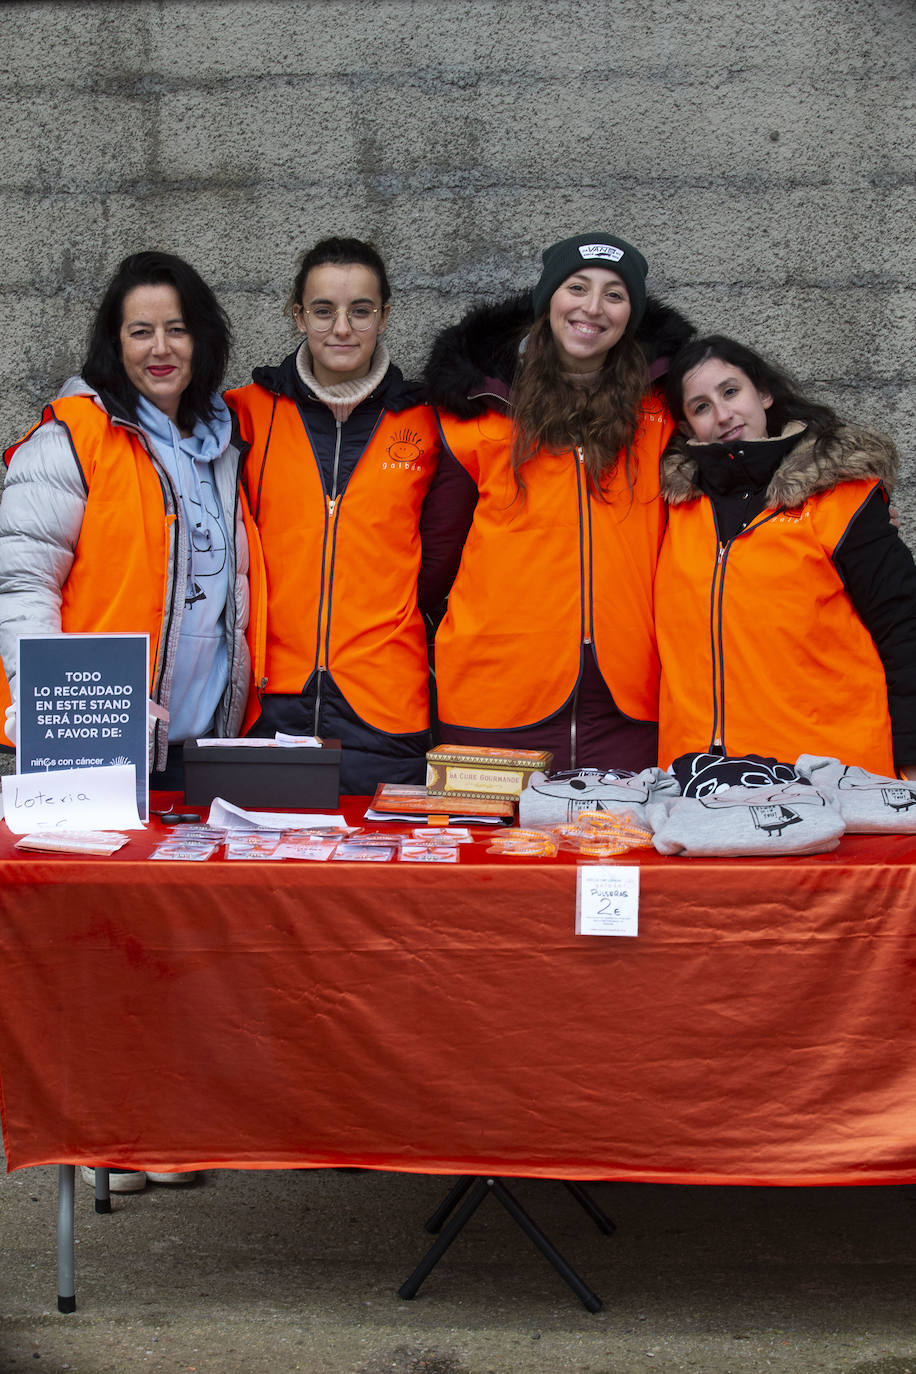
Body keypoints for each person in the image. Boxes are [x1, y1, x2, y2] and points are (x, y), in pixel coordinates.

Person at [0, 249, 263, 1191]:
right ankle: (106, 1139)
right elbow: (17, 580)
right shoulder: (72, 439)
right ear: (115, 343)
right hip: (95, 737)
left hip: (195, 738)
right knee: (97, 952)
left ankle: (156, 1123)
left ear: (204, 337)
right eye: (140, 329)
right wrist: (51, 707)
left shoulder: (219, 439)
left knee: (171, 947)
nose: (161, 347)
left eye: (178, 327)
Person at [420, 231, 694, 770]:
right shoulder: (478, 407)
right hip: (492, 695)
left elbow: (750, 445)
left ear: (631, 315)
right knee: (487, 852)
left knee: (618, 852)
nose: (592, 308)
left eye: (615, 295)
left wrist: (838, 477)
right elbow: (433, 561)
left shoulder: (669, 407)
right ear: (549, 298)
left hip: (631, 703)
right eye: (577, 287)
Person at [226, 236, 440, 794]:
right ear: (297, 315)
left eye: (360, 310)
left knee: (379, 876)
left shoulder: (430, 422)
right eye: (323, 310)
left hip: (385, 708)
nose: (342, 328)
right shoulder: (243, 413)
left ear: (385, 315)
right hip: (266, 704)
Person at [655, 334, 916, 777]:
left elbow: (904, 623)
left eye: (731, 391)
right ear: (686, 427)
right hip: (704, 780)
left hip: (832, 775)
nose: (722, 415)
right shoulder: (671, 508)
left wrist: (912, 759)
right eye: (700, 407)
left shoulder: (841, 495)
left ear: (764, 394)